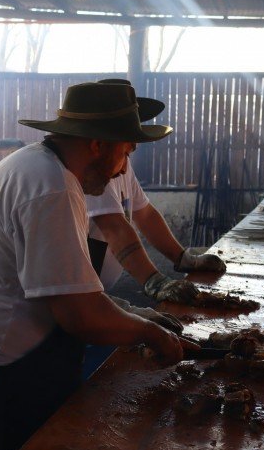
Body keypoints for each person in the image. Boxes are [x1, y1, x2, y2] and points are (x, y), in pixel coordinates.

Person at [0, 82, 200, 450]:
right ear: (97, 145)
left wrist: (125, 310)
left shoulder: (36, 167)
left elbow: (68, 290)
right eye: (123, 152)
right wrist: (149, 333)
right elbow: (79, 315)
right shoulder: (51, 186)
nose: (123, 168)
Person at [86, 79, 226, 308]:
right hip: (76, 298)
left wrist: (183, 259)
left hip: (95, 291)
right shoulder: (93, 169)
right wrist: (155, 281)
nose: (125, 163)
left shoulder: (121, 162)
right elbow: (114, 227)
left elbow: (145, 214)